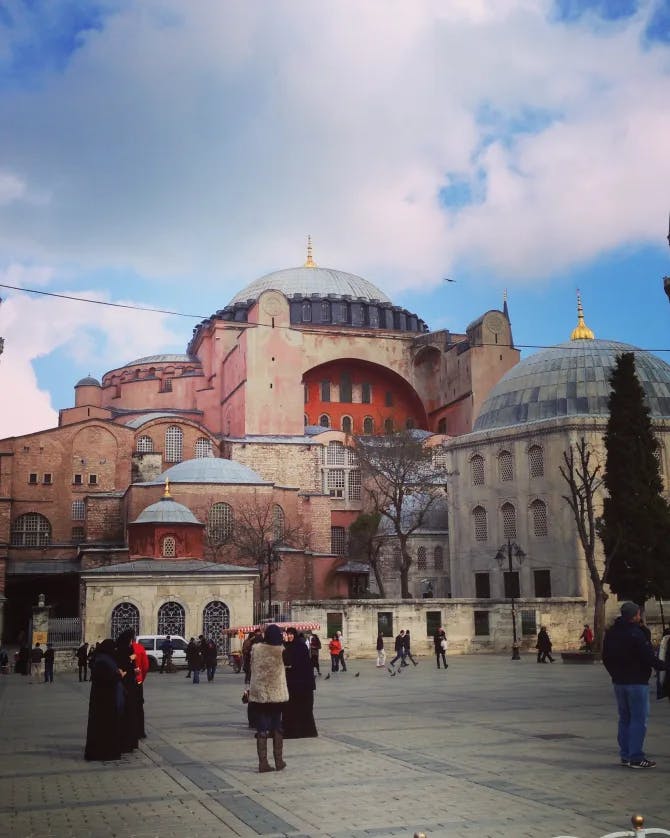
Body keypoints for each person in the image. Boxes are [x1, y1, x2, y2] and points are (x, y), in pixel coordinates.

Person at [602, 601, 666, 769]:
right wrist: (665, 667)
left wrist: (614, 674)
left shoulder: (611, 633)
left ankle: (625, 755)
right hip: (637, 683)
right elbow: (649, 658)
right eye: (638, 614)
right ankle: (636, 757)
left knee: (624, 719)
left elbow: (605, 657)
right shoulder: (636, 634)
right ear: (634, 616)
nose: (639, 616)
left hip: (619, 682)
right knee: (639, 719)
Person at [248, 624, 289, 772]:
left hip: (260, 694)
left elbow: (251, 667)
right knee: (277, 726)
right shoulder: (281, 651)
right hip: (276, 695)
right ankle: (279, 761)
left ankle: (263, 763)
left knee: (262, 728)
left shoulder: (256, 649)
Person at [84, 639, 123, 761]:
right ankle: (104, 753)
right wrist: (119, 675)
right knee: (104, 728)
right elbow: (106, 679)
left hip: (103, 700)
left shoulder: (102, 659)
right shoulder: (103, 661)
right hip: (104, 701)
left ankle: (104, 752)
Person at [282, 627, 318, 739]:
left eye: (291, 634)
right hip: (293, 682)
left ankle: (301, 732)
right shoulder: (288, 646)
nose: (289, 636)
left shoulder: (300, 646)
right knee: (293, 708)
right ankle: (295, 731)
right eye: (288, 634)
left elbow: (296, 663)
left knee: (300, 708)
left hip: (301, 683)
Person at [115, 629, 140, 754]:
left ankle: (130, 741)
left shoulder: (127, 650)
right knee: (127, 713)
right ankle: (126, 742)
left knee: (131, 713)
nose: (132, 642)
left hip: (131, 684)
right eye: (131, 640)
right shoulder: (123, 650)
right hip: (126, 686)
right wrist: (131, 661)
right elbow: (123, 665)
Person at [131, 636, 149, 739]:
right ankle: (140, 731)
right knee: (139, 707)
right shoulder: (140, 648)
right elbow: (146, 666)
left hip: (127, 681)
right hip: (138, 681)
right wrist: (142, 678)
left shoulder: (122, 649)